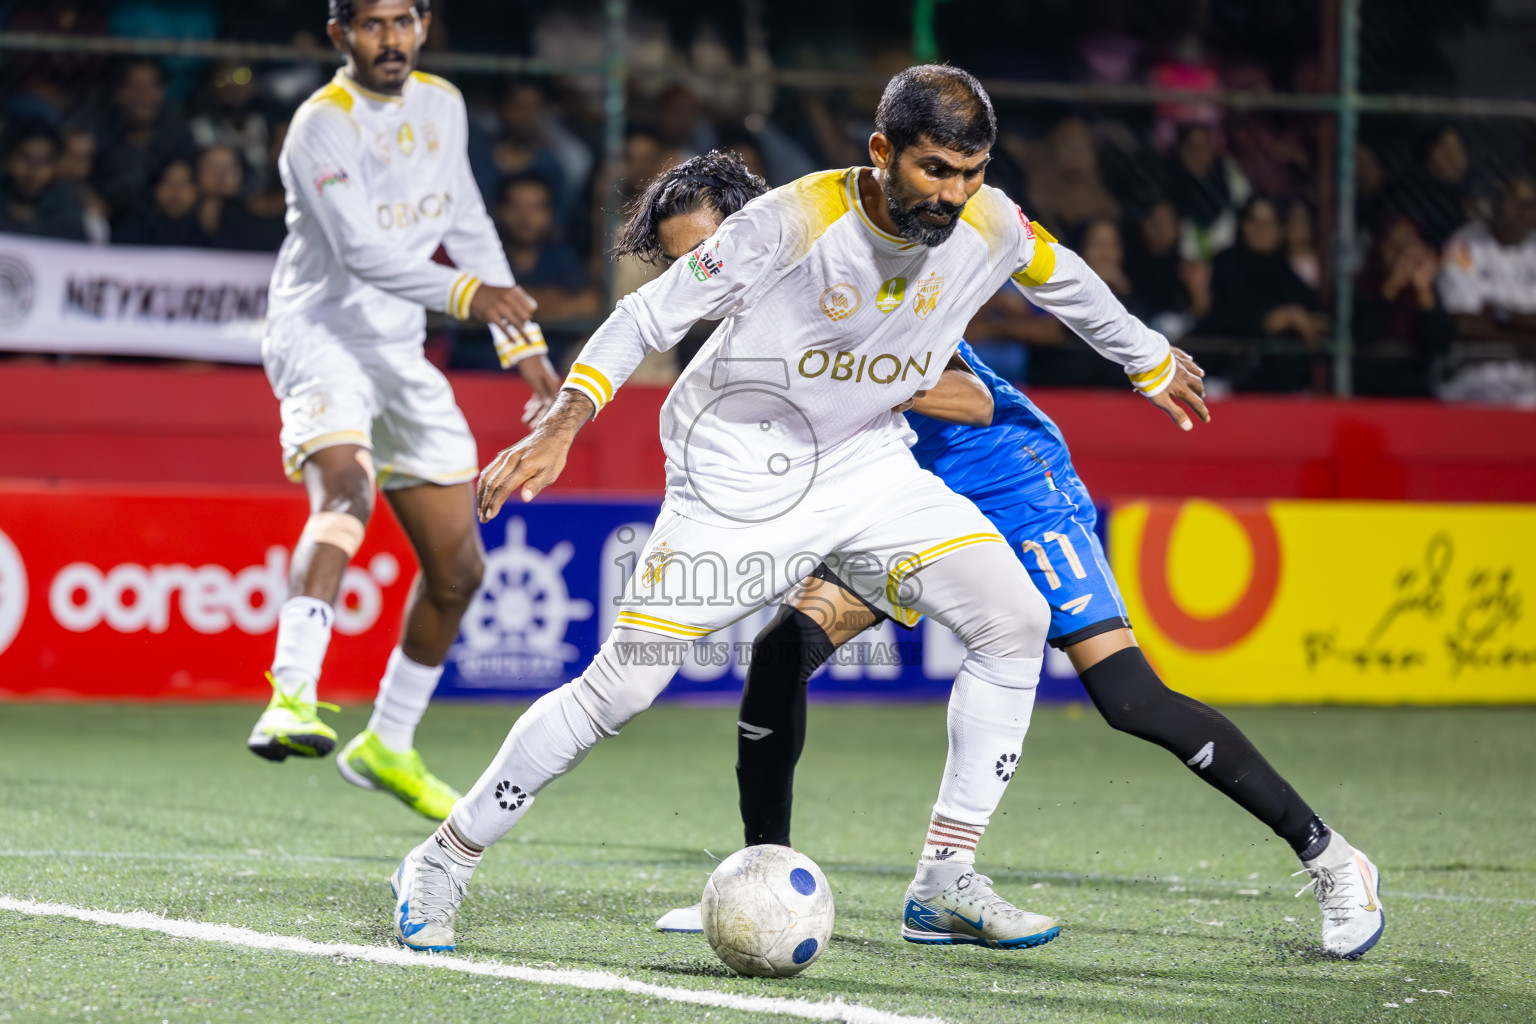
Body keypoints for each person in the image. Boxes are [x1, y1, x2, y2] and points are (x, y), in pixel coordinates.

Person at [388, 64, 1210, 955]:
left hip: (866, 465)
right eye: (935, 170)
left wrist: (1147, 358)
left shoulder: (989, 220)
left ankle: (943, 881)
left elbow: (1065, 280)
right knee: (622, 687)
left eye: (971, 173)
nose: (954, 194)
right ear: (882, 151)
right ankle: (441, 860)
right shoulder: (792, 218)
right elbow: (644, 318)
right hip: (740, 477)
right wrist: (561, 424)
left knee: (1014, 619)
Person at [635, 144, 1387, 962]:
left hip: (1007, 479)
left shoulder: (851, 270)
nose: (696, 281)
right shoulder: (741, 339)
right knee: (782, 654)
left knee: (1128, 696)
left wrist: (865, 378)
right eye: (677, 264)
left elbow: (976, 398)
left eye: (702, 254)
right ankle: (764, 882)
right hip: (897, 491)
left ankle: (1333, 859)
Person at [246, 0, 563, 826]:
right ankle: (292, 694)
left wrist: (527, 353)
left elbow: (469, 224)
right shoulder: (320, 125)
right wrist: (468, 295)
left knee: (459, 572)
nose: (389, 39)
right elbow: (360, 251)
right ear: (339, 35)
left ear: (424, 24)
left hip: (399, 349)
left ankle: (388, 742)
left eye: (402, 21)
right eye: (370, 24)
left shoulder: (443, 104)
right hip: (321, 338)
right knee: (346, 493)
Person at [1435, 175, 1536, 405]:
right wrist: (1525, 341)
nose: (1524, 212)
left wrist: (1504, 316)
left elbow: (1484, 319)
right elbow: (1466, 323)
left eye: (1530, 206)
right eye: (1516, 204)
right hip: (1477, 374)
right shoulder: (1463, 245)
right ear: (1496, 205)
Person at [494, 172, 599, 321]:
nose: (525, 217)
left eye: (535, 208)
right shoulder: (485, 256)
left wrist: (504, 300)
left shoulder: (563, 258)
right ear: (500, 211)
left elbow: (589, 304)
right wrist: (553, 300)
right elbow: (470, 302)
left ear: (551, 213)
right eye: (516, 207)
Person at [0, 119, 88, 240]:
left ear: (56, 164)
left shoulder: (66, 200)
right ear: (9, 158)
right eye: (26, 158)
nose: (33, 170)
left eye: (43, 161)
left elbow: (73, 241)